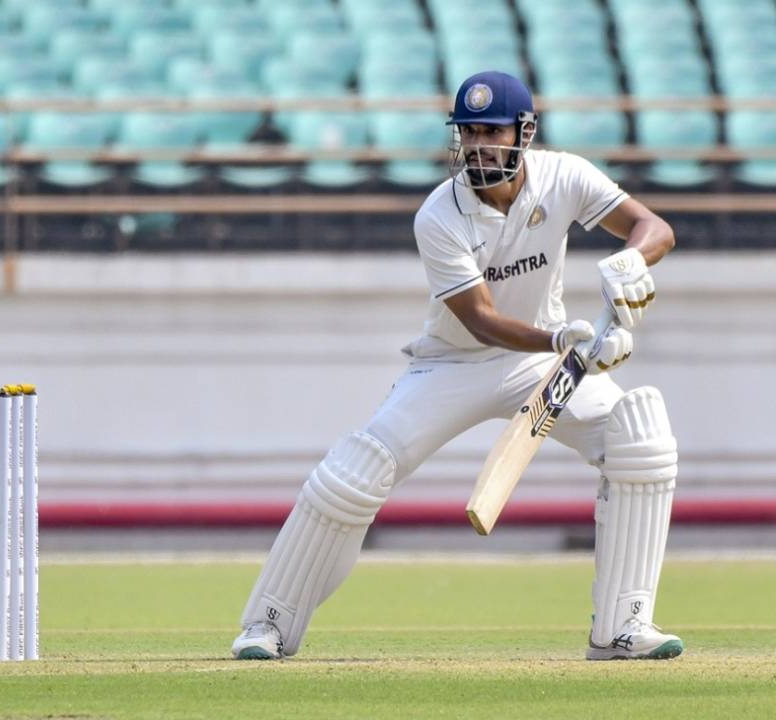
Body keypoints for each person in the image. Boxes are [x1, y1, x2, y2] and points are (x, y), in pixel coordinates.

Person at [231, 71, 681, 661]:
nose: (476, 145)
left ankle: (622, 628)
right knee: (355, 471)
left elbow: (656, 229)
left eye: (490, 131)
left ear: (525, 133)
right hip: (453, 364)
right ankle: (268, 623)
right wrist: (561, 339)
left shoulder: (565, 174)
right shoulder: (439, 215)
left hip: (545, 366)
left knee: (640, 434)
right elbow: (482, 321)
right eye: (467, 132)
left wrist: (628, 263)